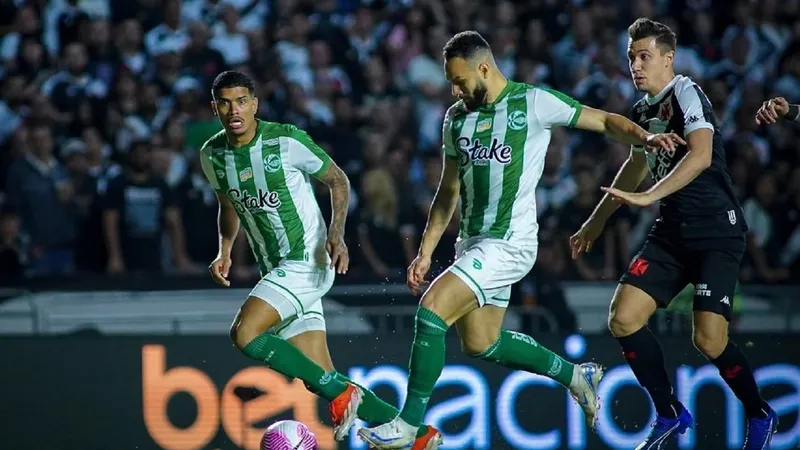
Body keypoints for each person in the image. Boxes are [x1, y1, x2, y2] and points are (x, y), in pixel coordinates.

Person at [358, 30, 685, 449]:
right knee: (482, 343)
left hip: (510, 243)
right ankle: (575, 375)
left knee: (431, 312)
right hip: (473, 244)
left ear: (484, 67)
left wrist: (644, 138)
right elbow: (447, 191)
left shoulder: (532, 102)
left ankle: (409, 427)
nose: (454, 90)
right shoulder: (456, 118)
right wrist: (425, 251)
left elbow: (602, 120)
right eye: (449, 83)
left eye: (459, 81)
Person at [200, 71, 442, 450]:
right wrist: (225, 249)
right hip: (278, 272)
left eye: (242, 101)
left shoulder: (285, 141)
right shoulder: (212, 155)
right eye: (226, 103)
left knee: (244, 334)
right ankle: (415, 435)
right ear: (215, 108)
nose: (235, 110)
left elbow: (338, 180)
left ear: (255, 104)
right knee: (323, 377)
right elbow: (227, 204)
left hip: (306, 262)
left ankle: (343, 394)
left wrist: (336, 233)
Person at [570, 19, 777, 450]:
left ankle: (760, 412)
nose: (635, 64)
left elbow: (700, 156)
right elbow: (636, 165)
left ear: (668, 58)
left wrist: (649, 197)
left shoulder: (686, 91)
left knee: (708, 339)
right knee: (622, 318)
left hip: (717, 231)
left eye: (644, 56)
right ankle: (668, 413)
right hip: (672, 232)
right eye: (631, 57)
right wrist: (596, 220)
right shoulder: (643, 111)